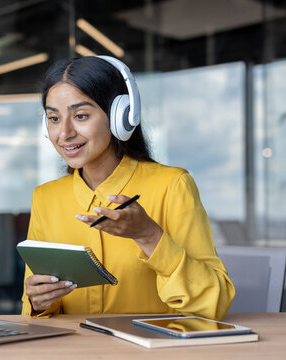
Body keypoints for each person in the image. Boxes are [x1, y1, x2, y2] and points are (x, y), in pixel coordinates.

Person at [21, 56, 235, 320]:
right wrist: (39, 301)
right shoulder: (46, 198)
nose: (64, 133)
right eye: (54, 118)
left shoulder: (173, 186)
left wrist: (148, 235)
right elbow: (35, 313)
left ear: (119, 116)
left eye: (81, 116)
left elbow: (215, 305)